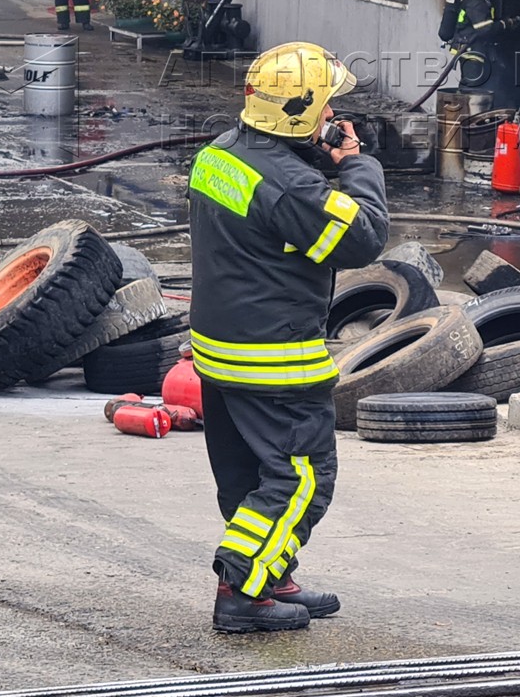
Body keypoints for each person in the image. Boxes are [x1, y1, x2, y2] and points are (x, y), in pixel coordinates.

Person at [186, 42, 390, 633]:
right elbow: (362, 237)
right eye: (327, 108)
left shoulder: (218, 156)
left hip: (219, 350)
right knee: (302, 477)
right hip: (274, 358)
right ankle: (243, 592)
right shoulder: (294, 187)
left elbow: (269, 208)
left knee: (248, 475)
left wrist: (311, 162)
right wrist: (355, 164)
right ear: (301, 113)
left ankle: (270, 575)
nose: (334, 118)